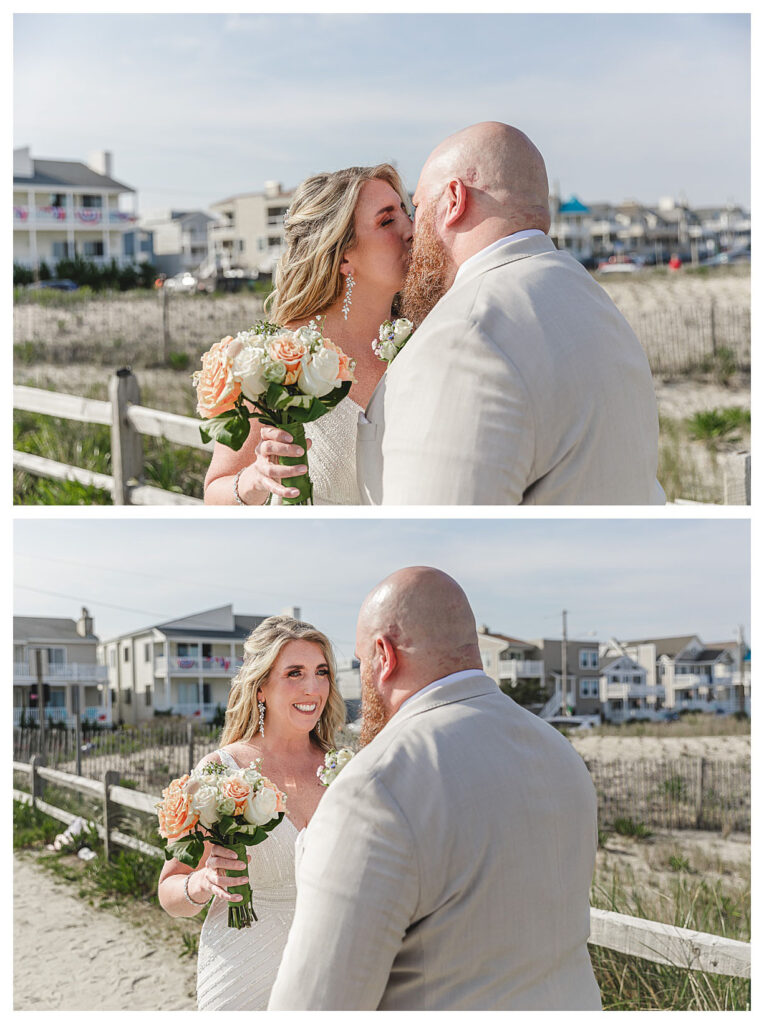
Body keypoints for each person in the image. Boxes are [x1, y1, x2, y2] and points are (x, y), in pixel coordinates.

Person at [268, 567, 602, 1010]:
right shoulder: (559, 753)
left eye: (359, 662)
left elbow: (315, 1006)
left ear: (383, 657)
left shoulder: (377, 785)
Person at [356, 122, 665, 504]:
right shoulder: (593, 301)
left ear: (453, 200)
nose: (412, 230)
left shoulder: (464, 336)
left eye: (418, 207)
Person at [157, 616, 345, 1010]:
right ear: (261, 688)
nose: (313, 687)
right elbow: (169, 890)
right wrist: (203, 882)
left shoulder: (344, 770)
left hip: (329, 970)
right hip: (241, 971)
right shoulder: (221, 771)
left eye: (321, 672)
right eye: (295, 673)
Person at [203, 164, 413, 505]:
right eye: (387, 221)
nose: (411, 229)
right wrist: (254, 479)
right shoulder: (270, 360)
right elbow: (214, 493)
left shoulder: (426, 338)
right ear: (343, 255)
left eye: (407, 213)